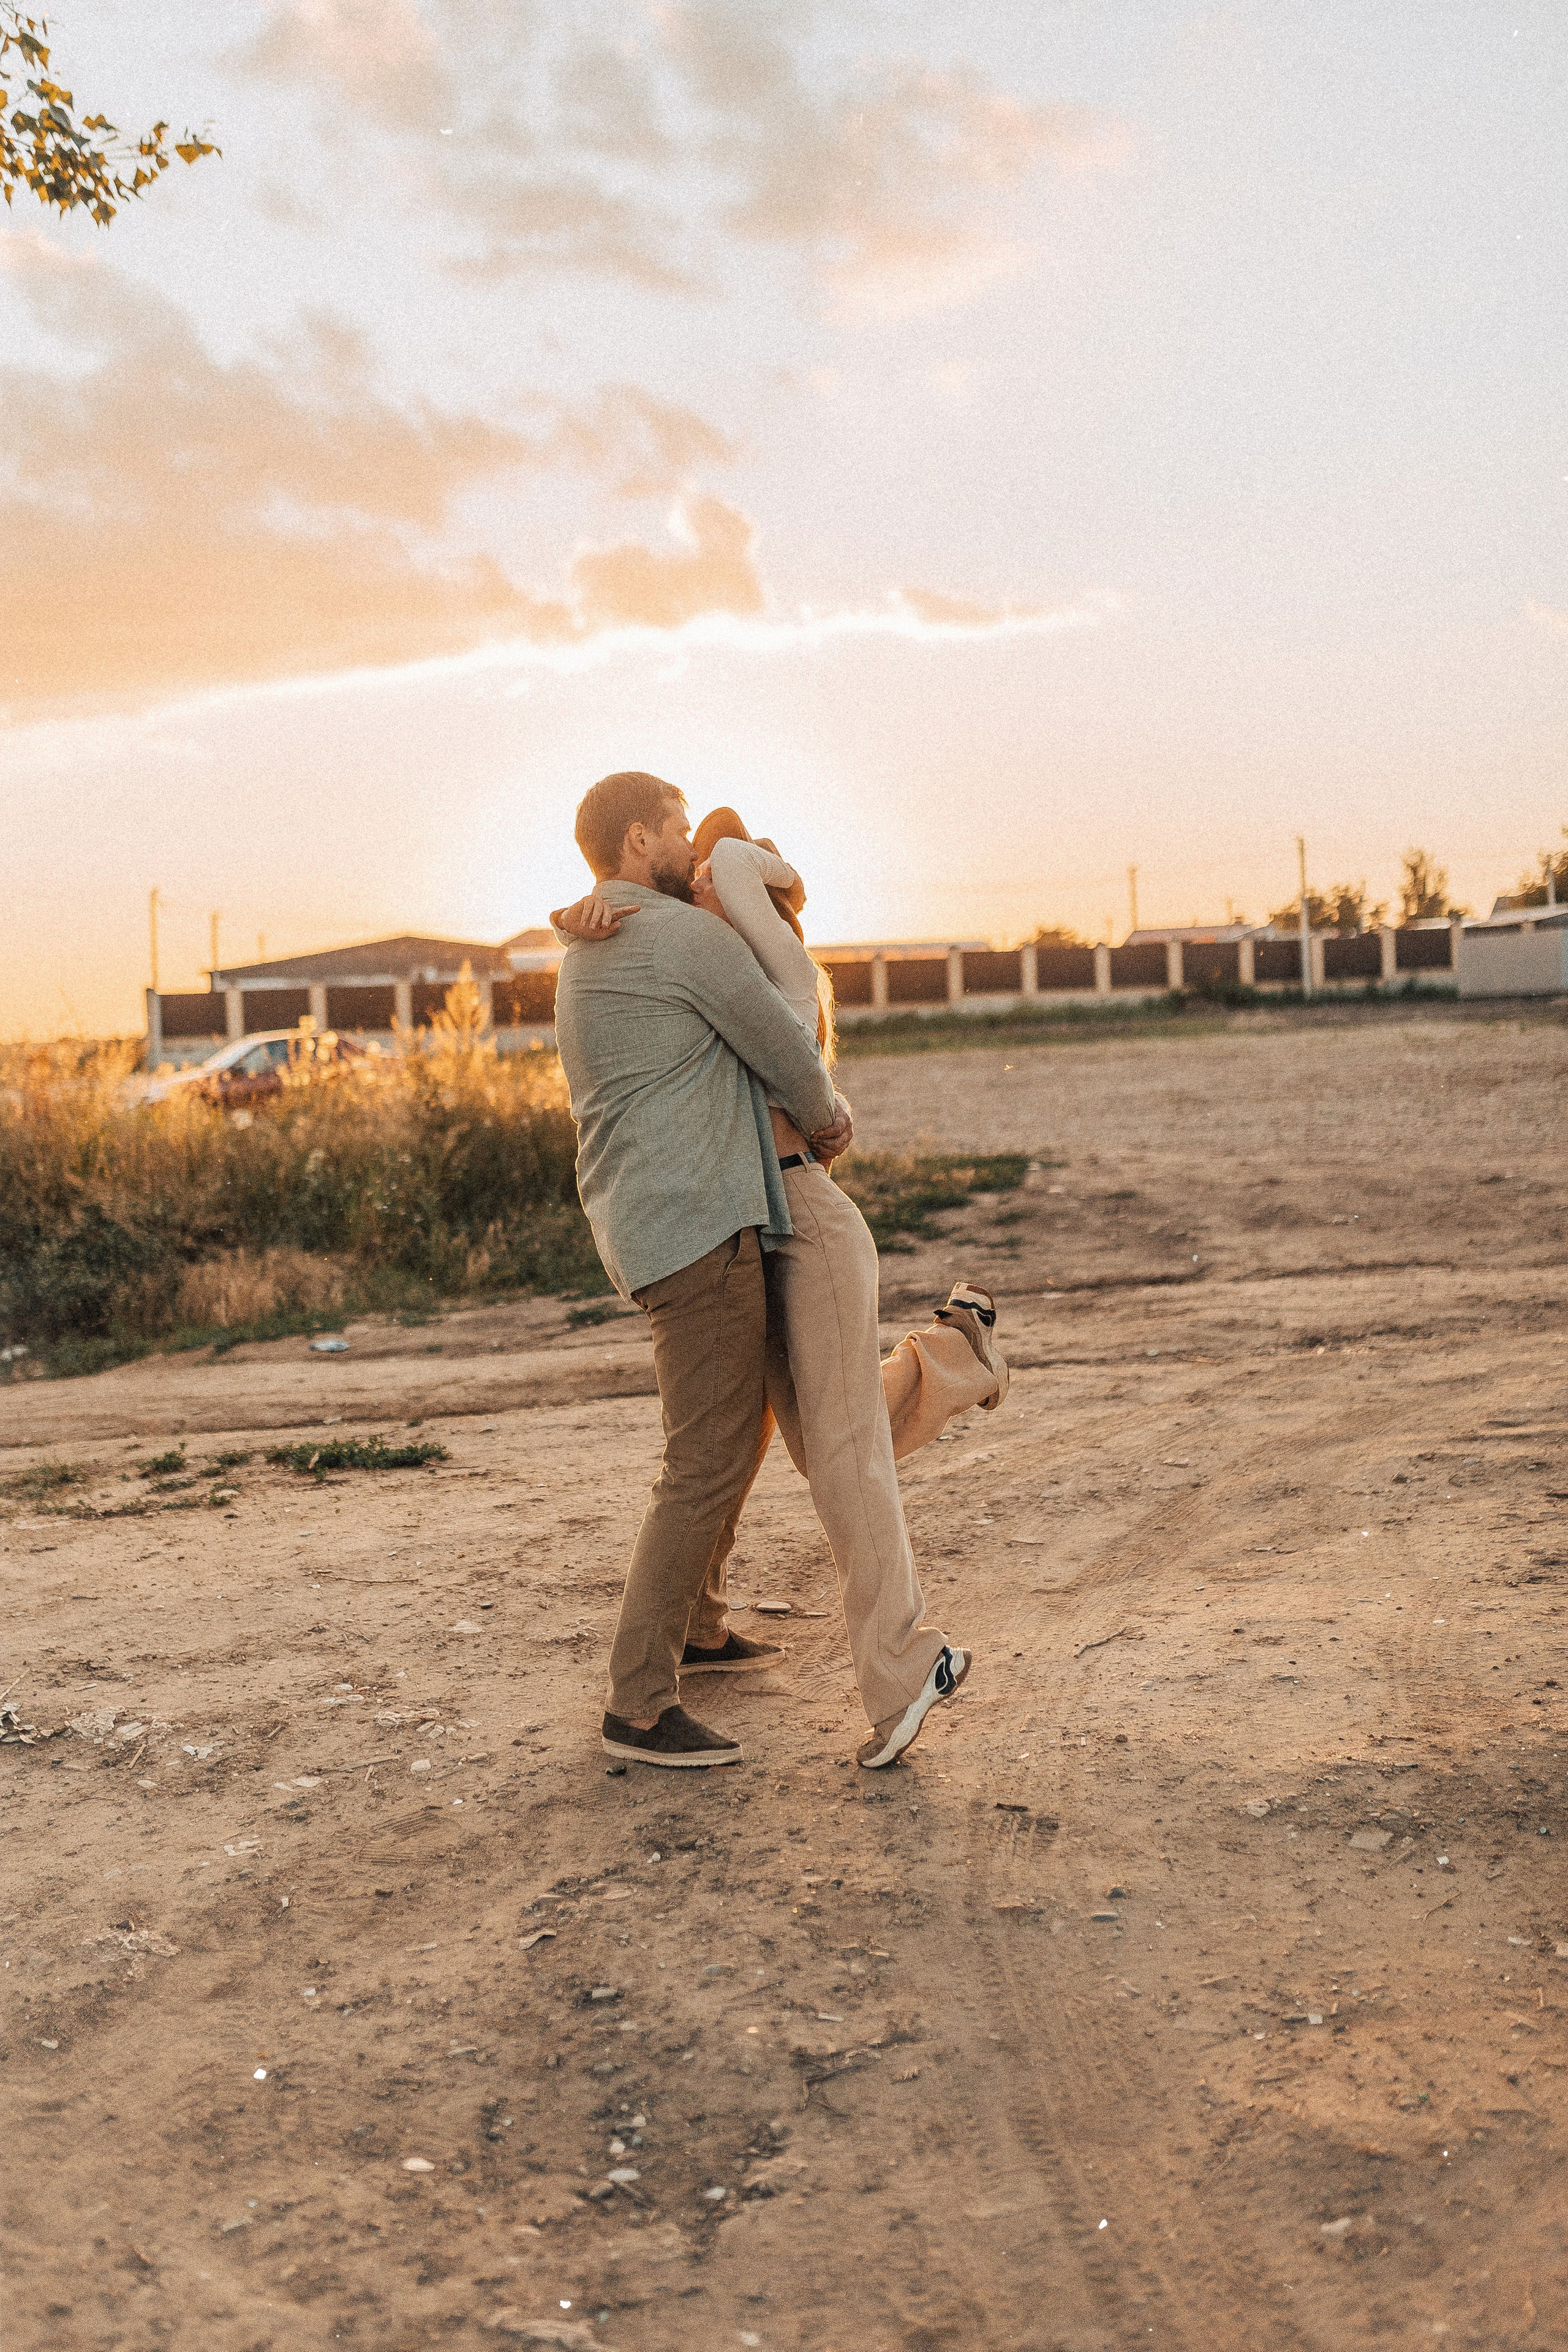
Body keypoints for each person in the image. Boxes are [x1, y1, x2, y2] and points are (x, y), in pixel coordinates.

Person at [554, 799, 1004, 1769]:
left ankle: (905, 1665)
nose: (696, 867)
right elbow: (638, 929)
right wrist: (588, 905)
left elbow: (790, 1054)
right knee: (797, 1434)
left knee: (838, 1457)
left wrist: (827, 1108)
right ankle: (956, 1357)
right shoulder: (662, 936)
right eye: (684, 850)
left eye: (710, 859)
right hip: (760, 1219)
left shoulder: (734, 934)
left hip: (804, 1211)